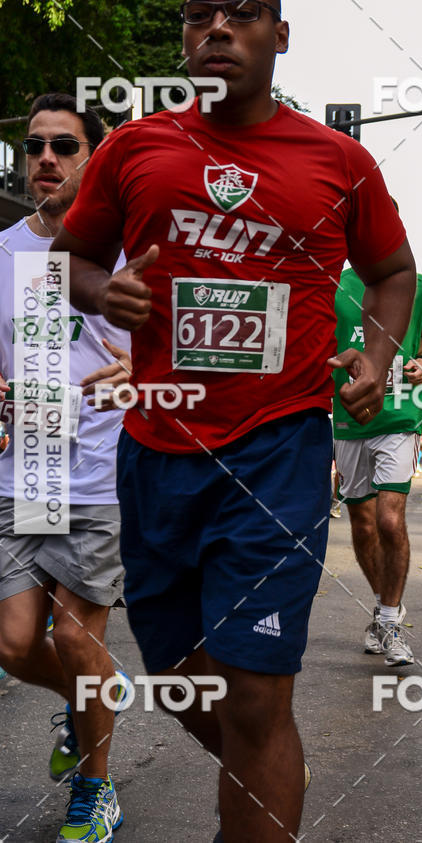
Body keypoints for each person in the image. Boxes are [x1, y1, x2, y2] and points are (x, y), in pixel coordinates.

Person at [51, 0, 417, 841]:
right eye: (199, 13)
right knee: (183, 683)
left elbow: (392, 270)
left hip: (276, 450)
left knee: (253, 696)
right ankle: (266, 768)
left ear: (279, 35)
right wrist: (104, 291)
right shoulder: (138, 149)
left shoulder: (339, 162)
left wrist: (376, 355)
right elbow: (72, 258)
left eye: (243, 12)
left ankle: (260, 775)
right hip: (157, 450)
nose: (217, 27)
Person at [0, 93, 132, 843]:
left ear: (94, 157)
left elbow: (177, 348)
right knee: (15, 642)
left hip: (97, 471)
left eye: (64, 145)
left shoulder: (125, 247)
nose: (45, 158)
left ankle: (97, 784)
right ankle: (91, 699)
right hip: (24, 470)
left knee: (79, 637)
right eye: (34, 146)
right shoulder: (5, 251)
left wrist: (142, 374)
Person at [332, 269, 422, 666]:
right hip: (349, 416)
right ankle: (382, 607)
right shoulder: (333, 283)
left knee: (389, 521)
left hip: (400, 415)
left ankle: (391, 621)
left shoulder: (420, 284)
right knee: (362, 523)